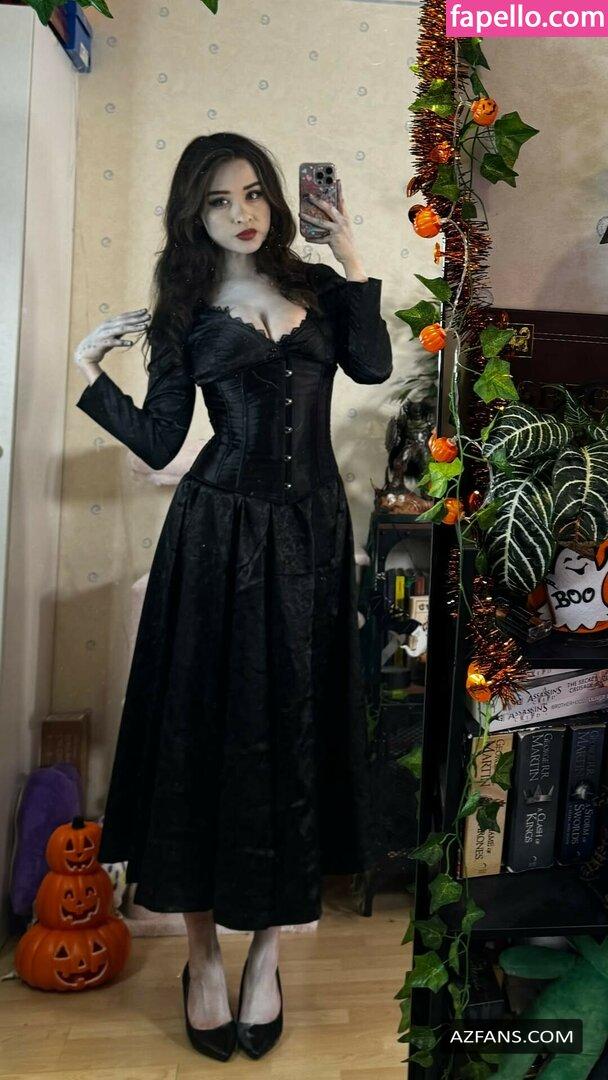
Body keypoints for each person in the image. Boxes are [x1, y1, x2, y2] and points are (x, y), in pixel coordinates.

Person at [74, 132, 392, 1062]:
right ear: (194, 213)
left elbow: (372, 367)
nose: (242, 213)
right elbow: (162, 437)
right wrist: (90, 373)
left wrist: (352, 253)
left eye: (253, 193)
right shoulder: (183, 311)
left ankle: (267, 959)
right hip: (215, 537)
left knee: (294, 734)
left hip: (311, 538)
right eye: (219, 200)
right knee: (204, 732)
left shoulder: (318, 287)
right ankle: (203, 958)